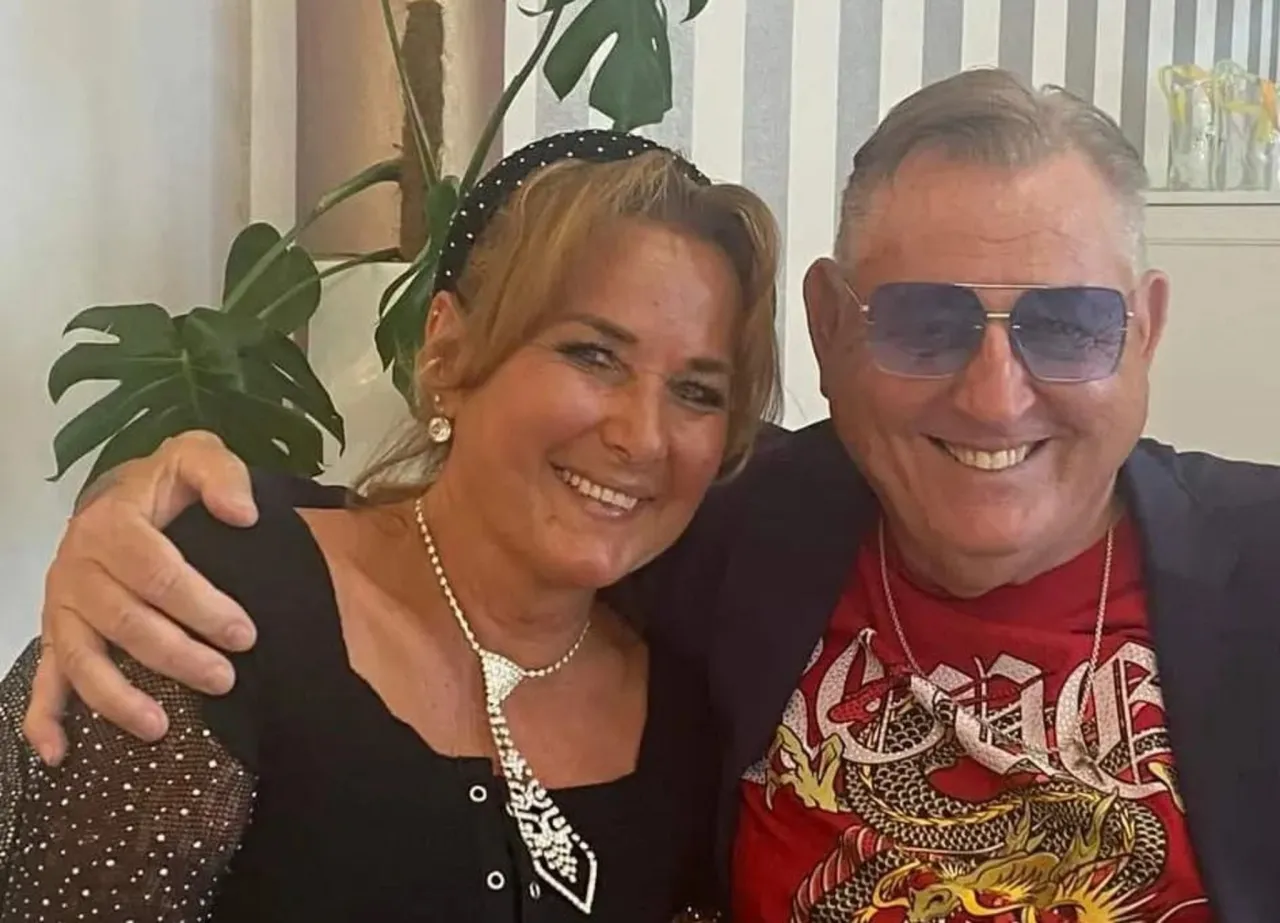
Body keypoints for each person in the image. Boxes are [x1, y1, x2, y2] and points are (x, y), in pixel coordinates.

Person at [24, 69, 1280, 922]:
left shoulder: (1260, 577)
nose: (995, 395)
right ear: (831, 329)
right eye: (922, 322)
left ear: (1144, 330)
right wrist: (165, 510)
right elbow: (462, 535)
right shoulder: (741, 540)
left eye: (1067, 323)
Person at [0, 129, 784, 922]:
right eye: (593, 355)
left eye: (697, 392)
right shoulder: (220, 600)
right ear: (447, 349)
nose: (644, 437)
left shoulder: (695, 712)